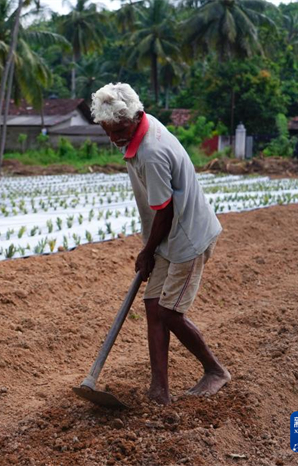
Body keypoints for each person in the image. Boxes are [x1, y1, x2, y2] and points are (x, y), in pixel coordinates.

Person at [91, 83, 231, 404]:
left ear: (135, 117)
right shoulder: (140, 127)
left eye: (119, 130)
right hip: (167, 235)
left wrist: (147, 251)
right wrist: (152, 248)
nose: (114, 138)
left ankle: (215, 370)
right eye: (108, 131)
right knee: (153, 307)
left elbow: (165, 212)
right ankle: (160, 390)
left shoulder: (151, 152)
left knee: (169, 313)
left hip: (186, 238)